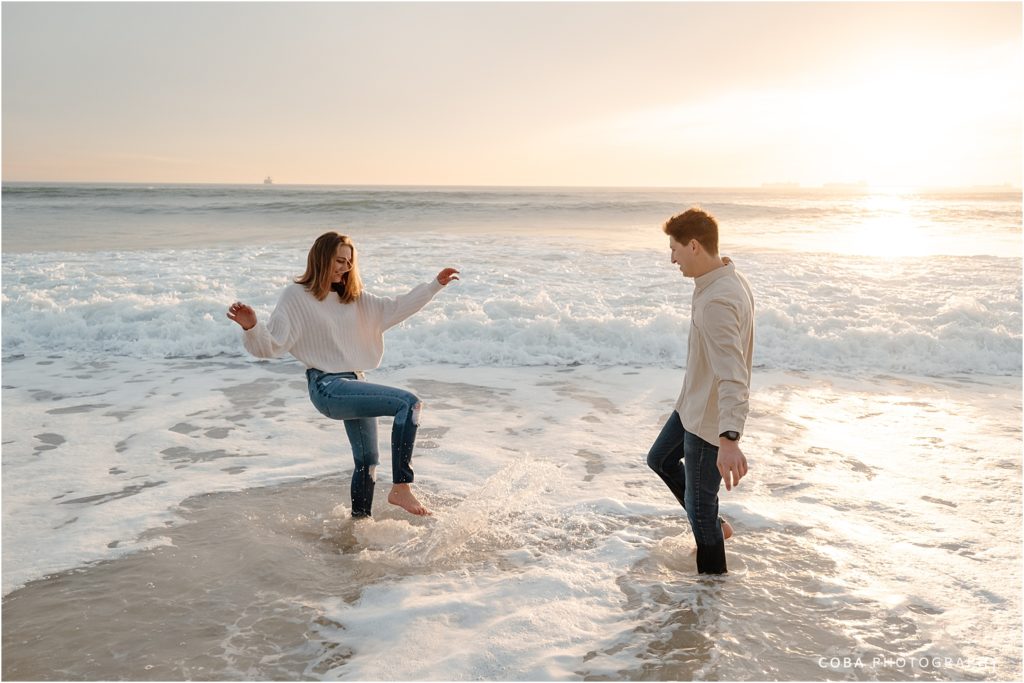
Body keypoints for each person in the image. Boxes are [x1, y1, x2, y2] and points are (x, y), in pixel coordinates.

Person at [226, 231, 459, 518]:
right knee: (408, 404)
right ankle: (401, 487)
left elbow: (397, 307)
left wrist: (434, 286)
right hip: (327, 387)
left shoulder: (355, 299)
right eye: (339, 260)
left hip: (354, 382)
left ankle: (358, 525)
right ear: (321, 258)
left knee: (367, 462)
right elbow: (271, 345)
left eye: (349, 262)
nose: (345, 267)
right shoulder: (296, 296)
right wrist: (251, 327)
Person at [646, 208, 754, 574]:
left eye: (674, 249)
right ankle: (716, 528)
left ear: (693, 245)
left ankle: (711, 589)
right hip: (691, 405)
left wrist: (729, 439)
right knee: (659, 459)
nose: (672, 259)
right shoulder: (723, 278)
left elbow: (734, 375)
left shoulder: (716, 302)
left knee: (700, 509)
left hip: (708, 421)